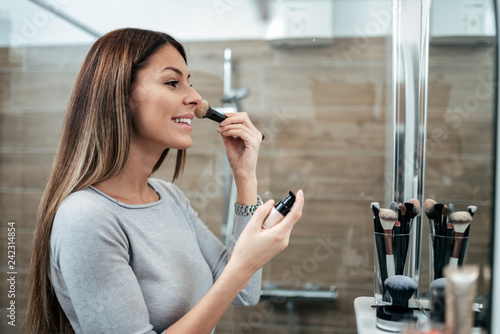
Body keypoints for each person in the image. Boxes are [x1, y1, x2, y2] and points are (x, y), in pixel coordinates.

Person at [25, 28, 304, 334]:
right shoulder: (86, 218)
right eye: (173, 82)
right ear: (120, 95)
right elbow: (236, 277)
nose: (196, 98)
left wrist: (244, 176)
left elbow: (244, 291)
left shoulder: (169, 197)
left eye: (189, 83)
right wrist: (240, 268)